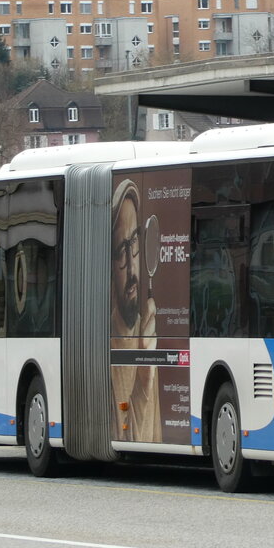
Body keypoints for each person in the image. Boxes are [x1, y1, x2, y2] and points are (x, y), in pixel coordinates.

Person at [109, 178, 161, 442]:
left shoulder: (147, 334)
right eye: (121, 251)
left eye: (134, 243)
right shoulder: (106, 347)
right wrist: (142, 379)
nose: (131, 267)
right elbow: (120, 436)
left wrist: (147, 373)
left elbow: (154, 439)